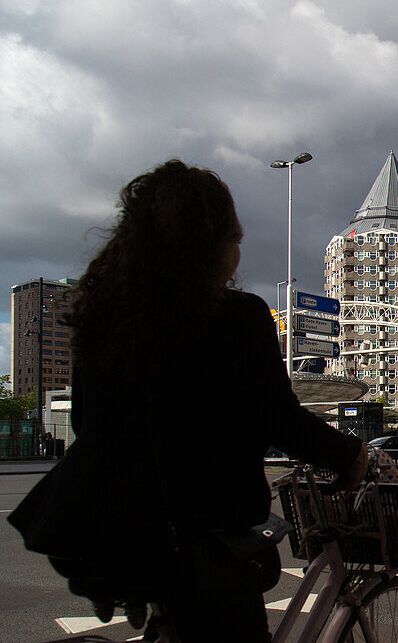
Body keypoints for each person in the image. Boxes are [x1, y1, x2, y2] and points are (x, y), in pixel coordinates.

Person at [10, 160, 368, 642]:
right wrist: (351, 454)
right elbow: (279, 419)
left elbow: (88, 425)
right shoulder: (237, 318)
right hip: (206, 548)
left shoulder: (105, 320)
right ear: (210, 246)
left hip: (122, 539)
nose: (239, 251)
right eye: (235, 239)